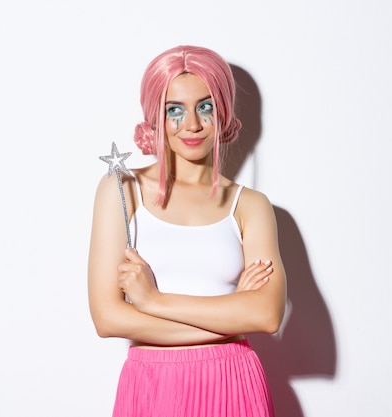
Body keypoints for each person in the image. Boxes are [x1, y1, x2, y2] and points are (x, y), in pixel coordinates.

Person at [88, 45, 286, 417]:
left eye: (205, 106)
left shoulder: (250, 205)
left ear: (223, 112)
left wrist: (153, 301)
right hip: (152, 385)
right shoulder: (122, 190)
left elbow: (267, 315)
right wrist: (231, 320)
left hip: (233, 383)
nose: (191, 124)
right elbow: (107, 319)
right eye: (174, 110)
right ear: (155, 118)